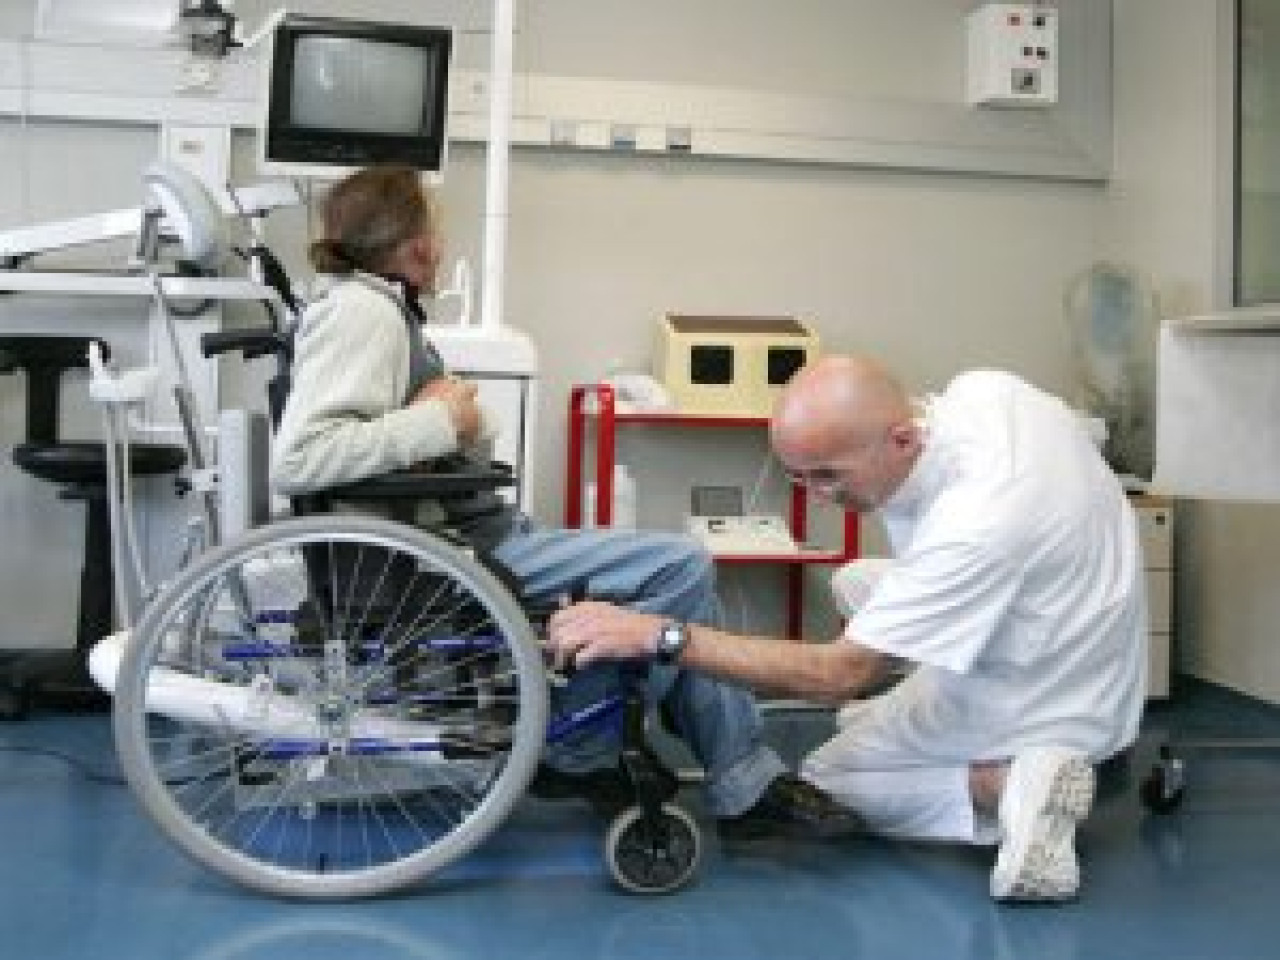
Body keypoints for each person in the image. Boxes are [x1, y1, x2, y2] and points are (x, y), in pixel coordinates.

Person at [270, 165, 855, 839]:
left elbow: (391, 431)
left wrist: (452, 417)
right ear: (418, 243)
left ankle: (742, 778)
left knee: (680, 590)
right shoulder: (362, 311)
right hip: (457, 553)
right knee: (680, 567)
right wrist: (443, 422)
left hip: (463, 535)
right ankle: (578, 750)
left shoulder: (374, 308)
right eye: (434, 229)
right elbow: (302, 458)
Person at [548, 355, 1147, 901]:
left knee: (827, 774)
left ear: (903, 439)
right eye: (799, 478)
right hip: (1089, 635)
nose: (820, 496)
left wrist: (661, 635)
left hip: (1045, 693)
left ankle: (1006, 781)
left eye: (830, 476)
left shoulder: (974, 526)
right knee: (856, 581)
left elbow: (837, 675)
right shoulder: (987, 392)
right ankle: (931, 725)